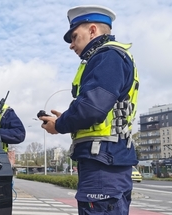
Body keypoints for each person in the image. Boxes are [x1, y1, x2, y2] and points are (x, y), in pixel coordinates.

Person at [40, 5, 139, 215]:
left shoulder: (107, 57)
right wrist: (66, 118)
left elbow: (92, 108)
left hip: (103, 163)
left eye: (75, 37)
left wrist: (60, 124)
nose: (72, 45)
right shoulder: (111, 58)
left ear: (92, 30)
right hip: (108, 160)